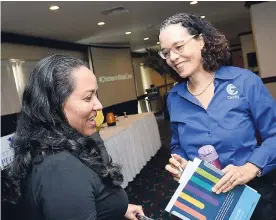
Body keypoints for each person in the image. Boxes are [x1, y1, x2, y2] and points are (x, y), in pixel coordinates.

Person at [159, 13, 276, 219]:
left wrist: (251, 167)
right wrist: (181, 163)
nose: (173, 58)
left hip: (252, 195)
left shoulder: (244, 82)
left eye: (179, 47)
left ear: (201, 40)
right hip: (205, 199)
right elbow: (178, 144)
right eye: (166, 53)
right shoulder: (174, 98)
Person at [4, 54, 145, 220]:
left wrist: (114, 209)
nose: (99, 105)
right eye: (88, 97)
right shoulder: (61, 169)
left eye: (96, 95)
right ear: (55, 105)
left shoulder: (59, 147)